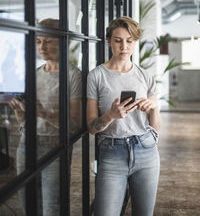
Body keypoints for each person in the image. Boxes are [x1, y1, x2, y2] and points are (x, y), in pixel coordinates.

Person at [87, 16, 161, 216]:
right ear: (109, 41)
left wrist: (153, 109)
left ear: (135, 42)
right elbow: (92, 128)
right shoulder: (96, 76)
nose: (124, 46)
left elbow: (156, 125)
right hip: (111, 153)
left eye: (129, 41)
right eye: (118, 40)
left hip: (146, 149)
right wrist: (111, 115)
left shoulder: (145, 76)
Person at [9, 18, 82, 216]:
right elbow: (24, 121)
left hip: (56, 147)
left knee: (53, 207)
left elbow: (75, 124)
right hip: (27, 145)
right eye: (38, 41)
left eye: (47, 41)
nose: (41, 47)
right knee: (29, 204)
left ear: (63, 42)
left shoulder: (74, 76)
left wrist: (41, 112)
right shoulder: (33, 74)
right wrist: (18, 108)